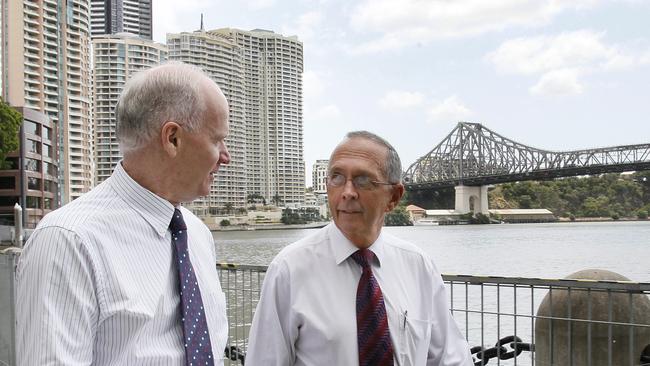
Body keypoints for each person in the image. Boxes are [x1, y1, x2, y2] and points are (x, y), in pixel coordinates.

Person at [16, 62, 231, 365]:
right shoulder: (68, 241)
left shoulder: (198, 235)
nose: (226, 156)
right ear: (172, 138)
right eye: (217, 139)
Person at [246, 131, 472, 365]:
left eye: (363, 180)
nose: (347, 192)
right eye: (337, 178)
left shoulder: (418, 265)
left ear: (394, 197)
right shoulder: (290, 269)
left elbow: (450, 357)